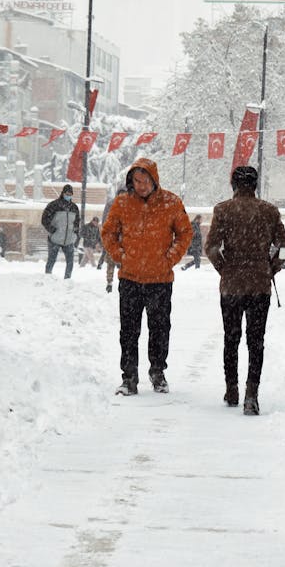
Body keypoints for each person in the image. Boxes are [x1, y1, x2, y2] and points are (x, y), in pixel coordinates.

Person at [101, 158, 192, 396]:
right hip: (130, 277)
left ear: (154, 179)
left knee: (160, 328)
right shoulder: (122, 203)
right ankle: (129, 377)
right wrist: (120, 255)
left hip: (160, 279)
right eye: (135, 181)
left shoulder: (171, 203)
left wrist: (169, 258)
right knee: (129, 330)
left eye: (144, 180)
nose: (139, 185)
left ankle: (158, 372)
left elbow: (185, 234)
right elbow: (108, 232)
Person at [205, 165, 285, 416]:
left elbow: (210, 248)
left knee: (231, 339)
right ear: (255, 185)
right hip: (259, 287)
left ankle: (231, 389)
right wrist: (269, 268)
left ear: (233, 185)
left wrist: (225, 269)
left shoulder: (222, 210)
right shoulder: (269, 211)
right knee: (256, 342)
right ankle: (251, 394)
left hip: (231, 286)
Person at [41, 184, 80, 278]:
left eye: (70, 194)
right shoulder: (54, 205)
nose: (69, 195)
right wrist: (51, 229)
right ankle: (47, 277)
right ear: (63, 193)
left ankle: (67, 279)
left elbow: (77, 222)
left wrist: (75, 233)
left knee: (70, 262)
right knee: (52, 259)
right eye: (67, 193)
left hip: (69, 240)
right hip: (55, 239)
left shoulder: (74, 207)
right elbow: (44, 219)